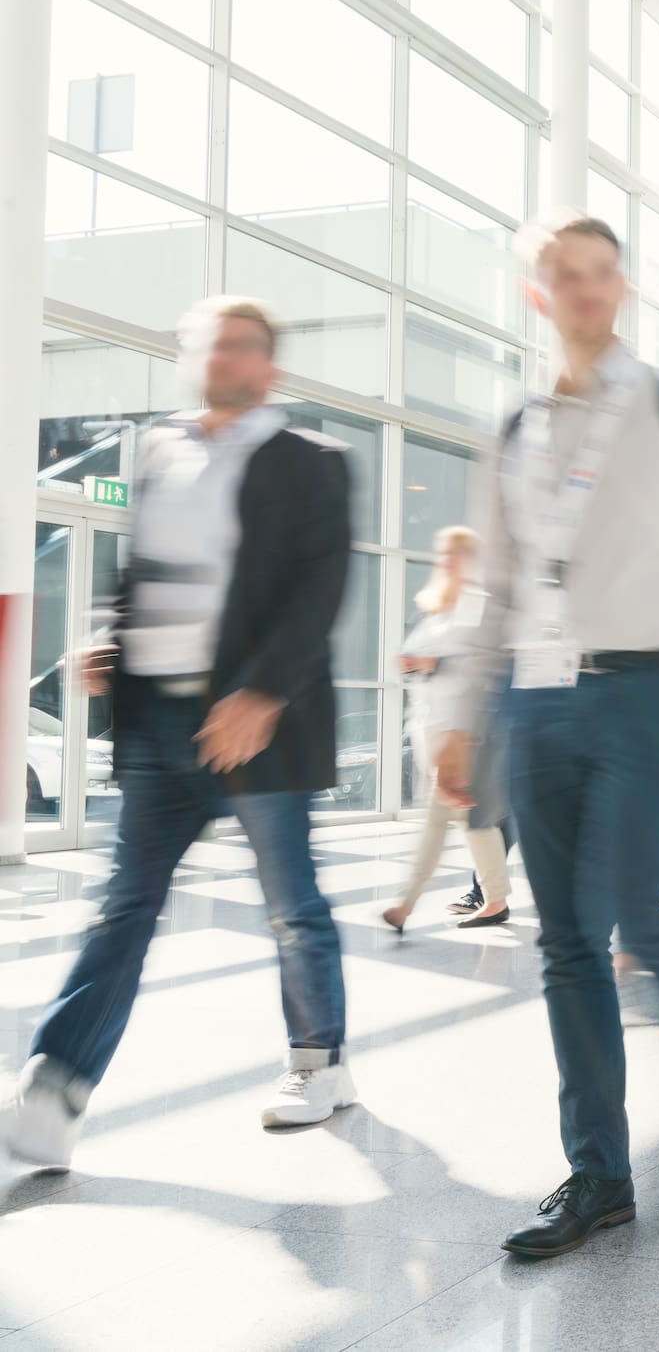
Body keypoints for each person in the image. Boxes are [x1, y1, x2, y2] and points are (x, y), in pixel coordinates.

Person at [429, 215, 659, 1256]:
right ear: (540, 294)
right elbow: (496, 591)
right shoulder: (513, 431)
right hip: (539, 697)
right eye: (563, 276)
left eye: (600, 274)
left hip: (651, 683)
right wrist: (461, 719)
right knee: (565, 942)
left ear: (620, 287)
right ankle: (599, 1175)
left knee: (629, 897)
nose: (585, 291)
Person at [0, 296, 356, 1172]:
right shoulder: (159, 449)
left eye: (237, 346)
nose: (217, 357)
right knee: (127, 904)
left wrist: (263, 694)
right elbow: (148, 575)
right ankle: (55, 1086)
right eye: (205, 344)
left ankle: (319, 1062)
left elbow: (320, 589)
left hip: (257, 723)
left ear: (268, 366)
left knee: (290, 907)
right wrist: (113, 646)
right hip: (160, 722)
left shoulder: (310, 461)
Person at [383, 526, 512, 932]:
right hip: (428, 725)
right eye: (443, 554)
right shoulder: (437, 605)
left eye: (455, 554)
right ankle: (494, 897)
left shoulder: (477, 606)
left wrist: (429, 664)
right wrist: (413, 663)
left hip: (458, 729)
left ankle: (407, 904)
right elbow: (422, 659)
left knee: (447, 819)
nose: (446, 561)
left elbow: (478, 666)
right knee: (465, 819)